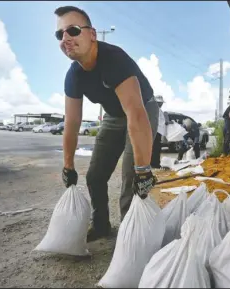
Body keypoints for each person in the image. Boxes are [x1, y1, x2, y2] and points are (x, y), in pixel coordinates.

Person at [55, 6, 159, 241]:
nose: (66, 38)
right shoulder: (74, 76)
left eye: (72, 30)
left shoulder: (114, 59)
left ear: (92, 34)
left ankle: (131, 237)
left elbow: (135, 112)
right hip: (113, 116)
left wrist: (143, 170)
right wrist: (68, 166)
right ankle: (101, 225)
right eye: (60, 34)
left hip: (143, 109)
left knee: (132, 178)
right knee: (95, 175)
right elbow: (71, 123)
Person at [150, 95, 170, 169]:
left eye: (161, 103)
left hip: (158, 132)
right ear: (157, 102)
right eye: (160, 103)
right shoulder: (155, 110)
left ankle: (154, 163)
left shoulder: (159, 110)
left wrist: (167, 122)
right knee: (155, 148)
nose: (161, 104)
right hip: (155, 131)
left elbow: (162, 121)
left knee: (156, 148)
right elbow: (156, 121)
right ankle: (154, 164)